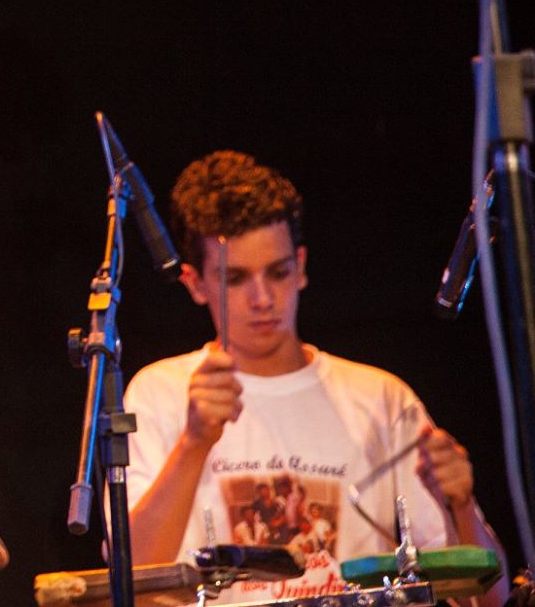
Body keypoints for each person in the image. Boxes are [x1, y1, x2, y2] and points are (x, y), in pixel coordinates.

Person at [124, 149, 509, 606]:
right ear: (195, 283)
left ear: (302, 266)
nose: (263, 298)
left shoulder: (380, 397)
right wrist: (194, 444)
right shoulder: (160, 393)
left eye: (278, 272)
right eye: (236, 279)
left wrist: (461, 505)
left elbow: (491, 599)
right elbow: (128, 585)